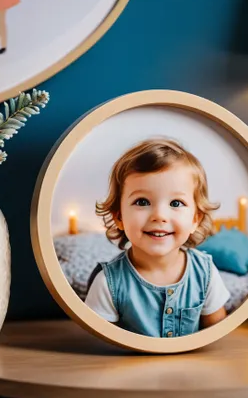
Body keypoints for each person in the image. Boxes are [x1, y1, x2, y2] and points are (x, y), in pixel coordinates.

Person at [85, 138, 230, 338]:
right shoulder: (108, 283)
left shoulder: (205, 273)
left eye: (176, 203)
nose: (159, 216)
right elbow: (100, 344)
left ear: (195, 219)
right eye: (142, 201)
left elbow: (218, 336)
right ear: (119, 216)